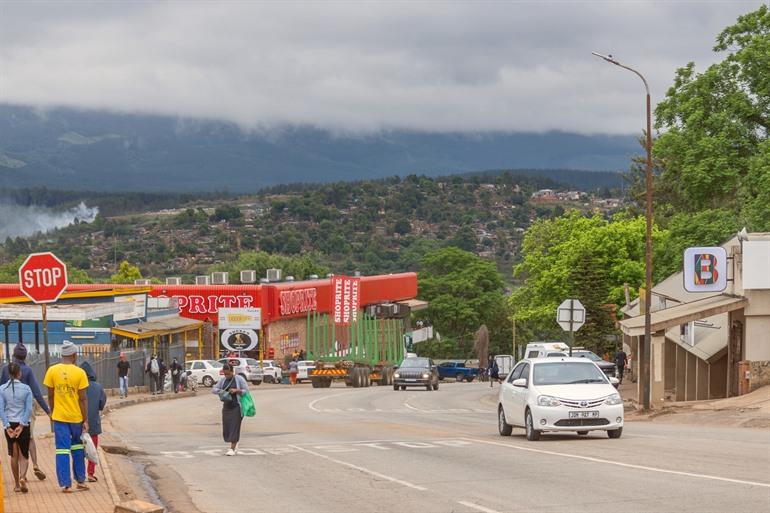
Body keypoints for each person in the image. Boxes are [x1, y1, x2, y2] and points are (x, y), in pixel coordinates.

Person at [43, 340, 89, 493]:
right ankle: (81, 481)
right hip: (76, 418)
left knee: (62, 450)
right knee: (77, 448)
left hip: (60, 418)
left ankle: (65, 484)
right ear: (74, 355)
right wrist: (85, 419)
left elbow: (50, 395)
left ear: (62, 355)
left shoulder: (52, 370)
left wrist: (52, 412)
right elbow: (82, 399)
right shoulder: (80, 373)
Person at [0, 342, 50, 481]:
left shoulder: (6, 369)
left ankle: (20, 477)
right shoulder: (27, 370)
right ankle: (34, 464)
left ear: (13, 354)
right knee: (29, 437)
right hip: (25, 410)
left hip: (9, 412)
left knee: (14, 445)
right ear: (25, 356)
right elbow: (37, 393)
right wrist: (47, 411)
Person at [0, 362, 33, 494]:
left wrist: (7, 426)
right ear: (19, 373)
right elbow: (29, 409)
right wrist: (22, 425)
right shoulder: (26, 389)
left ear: (9, 374)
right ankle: (22, 477)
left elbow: (1, 409)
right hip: (23, 425)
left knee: (14, 455)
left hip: (10, 424)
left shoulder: (2, 389)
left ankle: (16, 485)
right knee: (24, 455)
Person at [212, 363, 248, 456]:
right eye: (225, 374)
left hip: (237, 407)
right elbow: (214, 389)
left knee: (234, 427)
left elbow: (246, 390)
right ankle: (235, 442)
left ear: (232, 371)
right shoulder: (223, 380)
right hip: (227, 407)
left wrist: (237, 390)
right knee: (227, 427)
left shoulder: (239, 379)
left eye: (228, 374)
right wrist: (220, 391)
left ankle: (232, 448)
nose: (226, 376)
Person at [80, 361, 106, 483]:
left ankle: (79, 475)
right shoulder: (98, 387)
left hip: (79, 422)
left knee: (78, 449)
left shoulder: (78, 386)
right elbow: (101, 404)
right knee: (92, 449)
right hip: (93, 423)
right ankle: (90, 474)